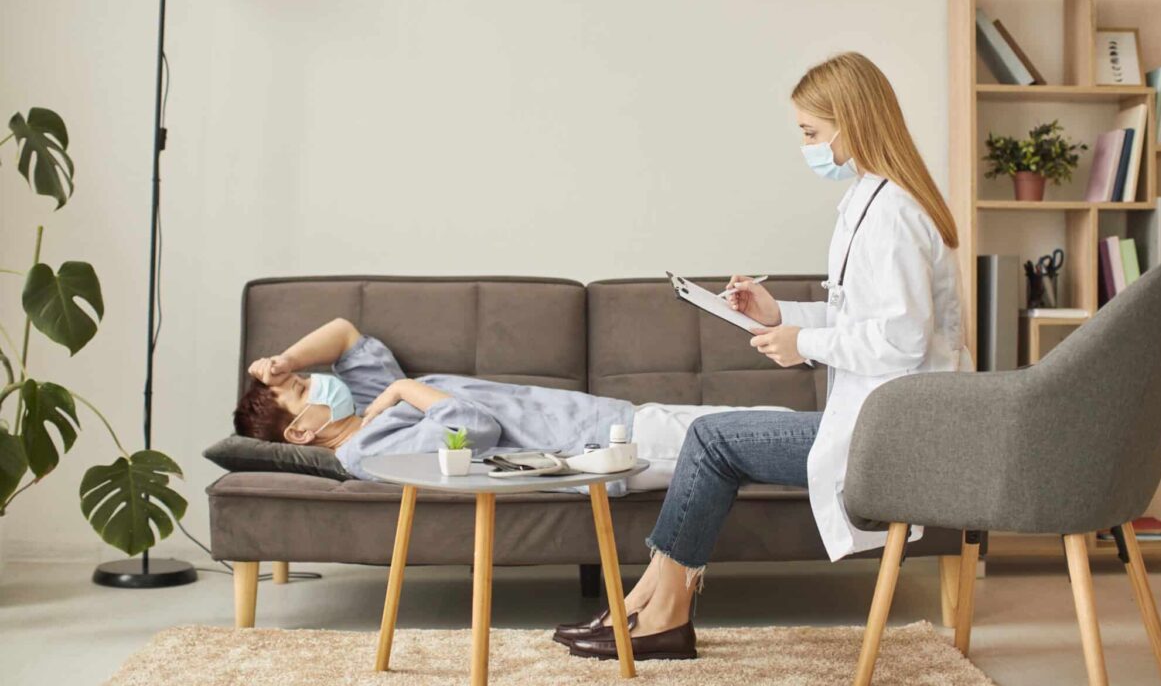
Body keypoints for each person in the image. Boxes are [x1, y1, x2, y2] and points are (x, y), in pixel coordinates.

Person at [556, 51, 971, 662]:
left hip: (891, 438)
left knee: (712, 440)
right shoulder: (872, 201)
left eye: (811, 132)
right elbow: (865, 318)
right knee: (712, 440)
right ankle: (649, 603)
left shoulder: (894, 215)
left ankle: (658, 611)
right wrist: (780, 315)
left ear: (852, 122)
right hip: (880, 421)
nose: (806, 147)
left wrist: (802, 344)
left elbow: (902, 340)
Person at [233, 317, 790, 495]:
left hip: (617, 418)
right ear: (300, 433)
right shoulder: (369, 448)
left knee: (784, 433)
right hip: (601, 449)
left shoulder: (367, 405)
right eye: (303, 390)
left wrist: (283, 363)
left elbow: (343, 332)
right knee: (783, 441)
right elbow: (471, 431)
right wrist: (402, 391)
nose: (318, 382)